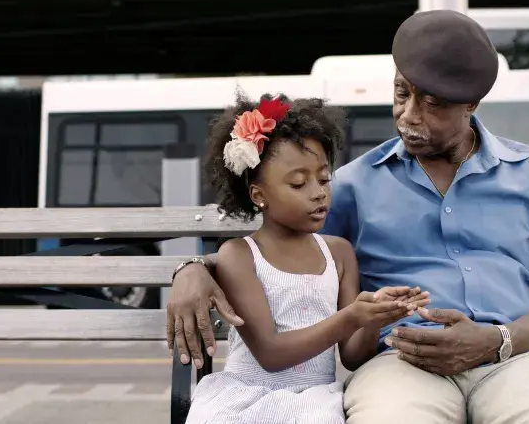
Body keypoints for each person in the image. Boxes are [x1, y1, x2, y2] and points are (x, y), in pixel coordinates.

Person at [167, 9, 529, 423]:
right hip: (403, 364)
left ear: (470, 103)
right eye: (401, 93)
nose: (408, 115)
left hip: (520, 359)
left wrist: (496, 340)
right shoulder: (351, 186)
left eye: (431, 104)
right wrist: (193, 269)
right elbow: (279, 248)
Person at [181, 92, 431, 424]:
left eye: (324, 179)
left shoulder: (338, 253)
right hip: (244, 398)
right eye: (298, 183)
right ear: (259, 195)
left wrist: (371, 318)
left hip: (313, 400)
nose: (318, 192)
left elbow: (353, 356)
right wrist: (350, 317)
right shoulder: (240, 255)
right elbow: (271, 353)